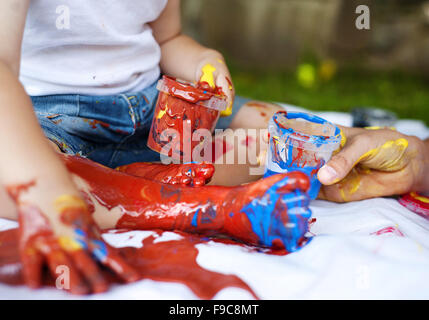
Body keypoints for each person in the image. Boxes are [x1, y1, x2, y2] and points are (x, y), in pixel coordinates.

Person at [0, 0, 281, 294]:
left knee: (271, 127)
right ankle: (187, 206)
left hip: (152, 113)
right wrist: (44, 186)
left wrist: (204, 61)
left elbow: (168, 39)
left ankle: (143, 181)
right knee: (12, 178)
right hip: (49, 123)